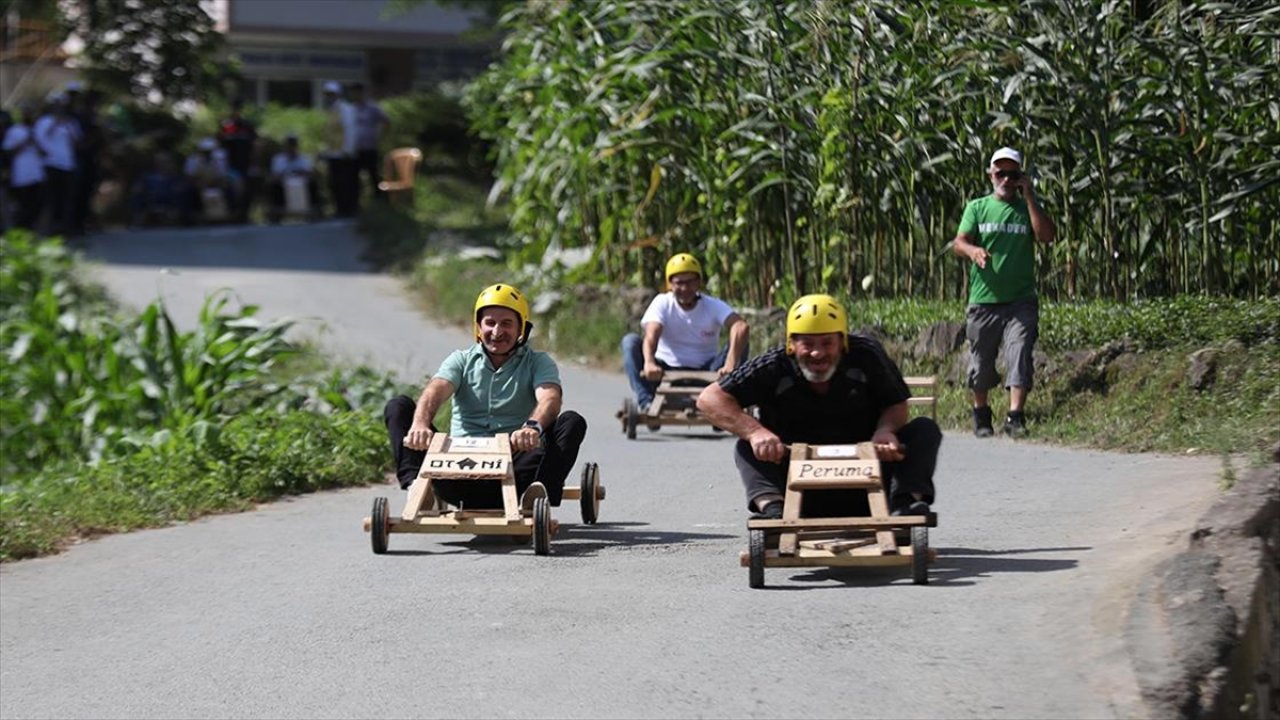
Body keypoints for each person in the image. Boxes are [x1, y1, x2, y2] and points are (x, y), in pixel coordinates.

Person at [697, 294, 941, 520]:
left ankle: (904, 505)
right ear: (792, 344)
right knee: (746, 446)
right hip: (799, 490)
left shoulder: (867, 355)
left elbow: (896, 402)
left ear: (842, 341)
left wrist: (885, 430)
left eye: (827, 343)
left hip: (870, 482)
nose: (817, 353)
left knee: (924, 430)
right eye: (808, 344)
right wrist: (755, 432)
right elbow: (709, 399)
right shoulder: (774, 365)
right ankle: (773, 512)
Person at [383, 283, 588, 509]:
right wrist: (420, 425)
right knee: (399, 406)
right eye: (490, 323)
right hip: (457, 473)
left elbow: (550, 398)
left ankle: (538, 496)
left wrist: (531, 428)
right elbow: (436, 389)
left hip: (516, 472)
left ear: (521, 328)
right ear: (478, 328)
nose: (497, 332)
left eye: (507, 324)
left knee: (572, 421)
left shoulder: (538, 362)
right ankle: (418, 490)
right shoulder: (460, 360)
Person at [951, 147, 1056, 438]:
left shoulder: (1027, 209)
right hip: (984, 301)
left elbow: (1047, 236)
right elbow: (958, 242)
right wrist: (973, 251)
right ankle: (981, 413)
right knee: (981, 361)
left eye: (1013, 174)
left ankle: (1015, 416)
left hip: (1021, 300)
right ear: (990, 175)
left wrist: (1031, 198)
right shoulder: (977, 207)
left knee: (1020, 351)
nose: (1006, 180)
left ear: (1021, 177)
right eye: (1001, 173)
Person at [621, 252, 750, 412]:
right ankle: (647, 403)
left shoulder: (712, 305)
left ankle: (725, 401)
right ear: (670, 284)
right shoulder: (662, 302)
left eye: (690, 282)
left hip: (708, 371)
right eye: (679, 283)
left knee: (741, 341)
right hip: (665, 372)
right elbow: (651, 334)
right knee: (630, 342)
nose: (685, 288)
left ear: (699, 282)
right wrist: (649, 363)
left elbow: (740, 326)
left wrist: (730, 364)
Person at [33, 92, 81, 237]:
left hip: (68, 165)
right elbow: (40, 139)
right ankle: (49, 229)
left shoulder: (70, 122)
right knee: (51, 199)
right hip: (51, 164)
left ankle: (65, 228)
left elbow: (77, 142)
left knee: (67, 198)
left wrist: (66, 125)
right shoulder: (44, 121)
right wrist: (56, 123)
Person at [3, 102, 46, 232]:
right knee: (22, 205)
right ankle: (21, 231)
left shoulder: (37, 130)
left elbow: (44, 153)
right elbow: (8, 152)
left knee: (36, 204)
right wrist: (24, 142)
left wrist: (35, 141)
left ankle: (32, 230)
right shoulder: (14, 130)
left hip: (37, 174)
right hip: (21, 175)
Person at [347, 82, 389, 210]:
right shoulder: (350, 109)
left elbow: (386, 122)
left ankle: (379, 202)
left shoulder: (372, 108)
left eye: (358, 92)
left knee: (373, 175)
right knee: (354, 178)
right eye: (354, 93)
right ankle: (355, 206)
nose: (356, 95)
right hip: (355, 149)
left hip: (370, 148)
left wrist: (380, 138)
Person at [217, 97, 259, 222]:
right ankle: (232, 213)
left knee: (248, 188)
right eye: (234, 108)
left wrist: (254, 161)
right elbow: (220, 145)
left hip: (245, 163)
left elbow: (256, 144)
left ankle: (244, 214)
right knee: (231, 189)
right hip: (230, 164)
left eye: (238, 108)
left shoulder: (247, 125)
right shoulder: (227, 126)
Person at [319, 81, 357, 217]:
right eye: (327, 94)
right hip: (333, 154)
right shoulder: (331, 110)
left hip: (343, 154)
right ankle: (340, 209)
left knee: (345, 183)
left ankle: (348, 210)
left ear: (338, 94)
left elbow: (350, 130)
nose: (329, 97)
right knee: (335, 183)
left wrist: (348, 150)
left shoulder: (345, 109)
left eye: (332, 94)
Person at [266, 134, 318, 223]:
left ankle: (312, 207)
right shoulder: (278, 159)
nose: (291, 147)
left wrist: (301, 174)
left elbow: (309, 173)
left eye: (293, 145)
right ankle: (277, 209)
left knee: (313, 184)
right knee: (273, 185)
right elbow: (275, 175)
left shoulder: (304, 158)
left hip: (301, 184)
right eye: (289, 145)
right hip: (283, 185)